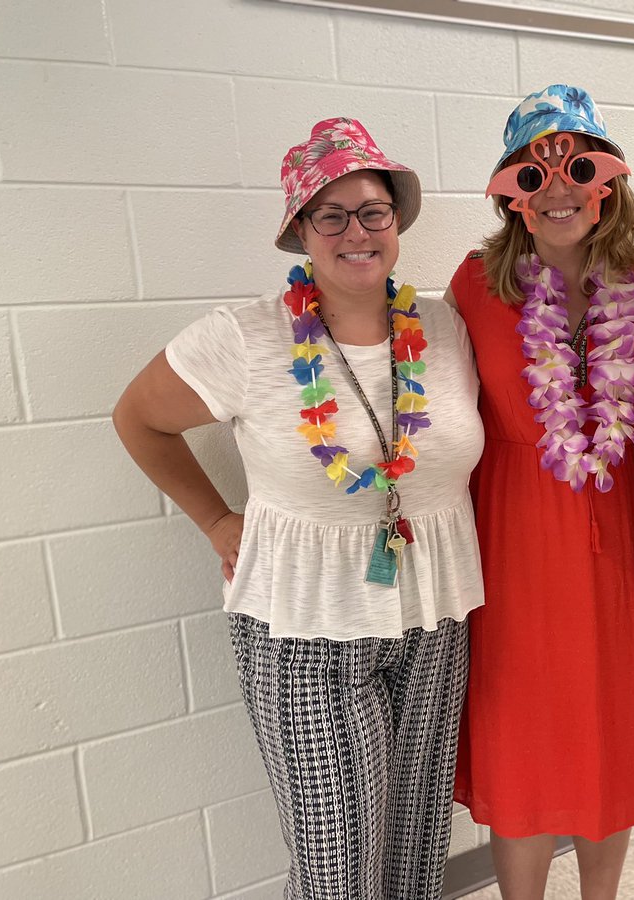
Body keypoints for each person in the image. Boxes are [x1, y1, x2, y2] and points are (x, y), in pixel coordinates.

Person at [112, 117, 484, 900]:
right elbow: (138, 418)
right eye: (331, 215)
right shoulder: (245, 337)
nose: (356, 232)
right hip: (303, 629)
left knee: (416, 849)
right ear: (301, 231)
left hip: (434, 617)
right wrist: (217, 520)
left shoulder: (446, 327)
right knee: (337, 870)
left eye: (373, 211)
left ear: (396, 221)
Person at [447, 85, 634, 899]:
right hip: (512, 542)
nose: (557, 190)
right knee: (521, 732)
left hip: (617, 537)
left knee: (609, 728)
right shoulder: (475, 286)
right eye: (532, 172)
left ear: (607, 182)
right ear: (509, 192)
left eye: (577, 167)